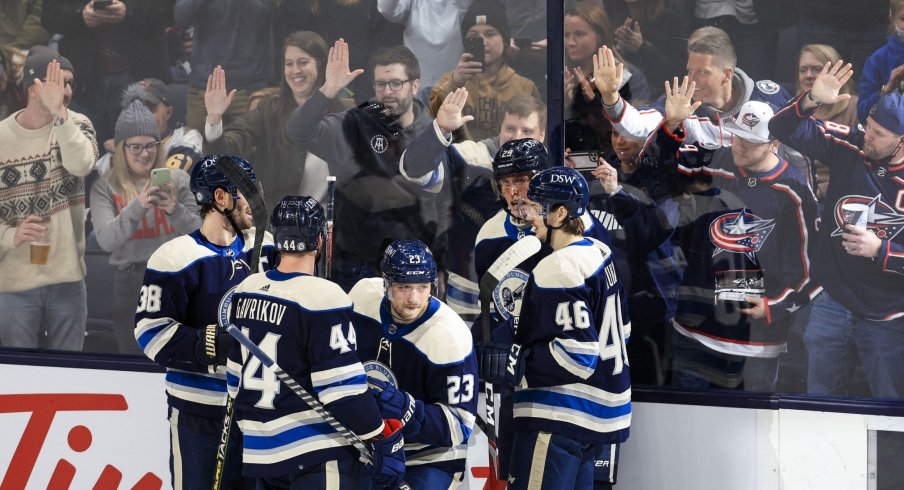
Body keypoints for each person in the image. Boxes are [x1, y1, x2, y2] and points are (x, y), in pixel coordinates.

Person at [646, 78, 818, 391]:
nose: (739, 145)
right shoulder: (713, 162)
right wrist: (670, 125)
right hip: (694, 331)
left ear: (775, 143)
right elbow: (654, 171)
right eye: (737, 136)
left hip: (756, 345)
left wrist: (773, 307)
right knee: (690, 428)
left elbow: (811, 270)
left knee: (748, 438)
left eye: (750, 142)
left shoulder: (793, 192)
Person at [225, 195, 406, 489]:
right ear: (321, 240)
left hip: (263, 455)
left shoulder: (246, 289)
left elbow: (235, 382)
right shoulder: (325, 298)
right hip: (317, 453)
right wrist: (379, 433)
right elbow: (343, 391)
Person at [480, 166, 631, 489]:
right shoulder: (597, 251)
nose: (529, 215)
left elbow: (577, 355)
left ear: (560, 213)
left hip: (560, 417)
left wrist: (515, 362)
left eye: (537, 207)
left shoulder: (557, 267)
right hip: (594, 419)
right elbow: (623, 331)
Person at [134, 154, 274, 488]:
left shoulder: (265, 247)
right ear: (220, 198)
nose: (255, 201)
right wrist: (210, 343)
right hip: (200, 413)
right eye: (246, 192)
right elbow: (149, 334)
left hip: (260, 412)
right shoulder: (176, 258)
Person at [769, 61, 904, 399]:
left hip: (887, 314)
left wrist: (881, 250)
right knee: (820, 402)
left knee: (890, 409)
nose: (867, 135)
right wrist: (811, 99)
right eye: (868, 125)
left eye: (878, 134)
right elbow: (780, 127)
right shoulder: (851, 144)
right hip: (833, 299)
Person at [287, 41, 464, 291]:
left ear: (415, 85)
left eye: (396, 83)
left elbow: (445, 204)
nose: (388, 91)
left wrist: (441, 263)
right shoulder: (352, 125)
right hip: (353, 263)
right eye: (380, 84)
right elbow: (298, 132)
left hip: (412, 267)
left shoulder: (433, 130)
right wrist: (328, 89)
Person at [348, 239, 478, 488]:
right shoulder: (362, 298)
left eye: (422, 287)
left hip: (427, 457)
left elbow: (459, 426)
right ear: (386, 283)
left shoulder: (450, 336)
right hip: (367, 444)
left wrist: (408, 410)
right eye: (404, 287)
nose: (414, 299)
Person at [0, 47, 98, 351]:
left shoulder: (77, 125)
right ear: (34, 88)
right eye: (59, 83)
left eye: (70, 83)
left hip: (68, 279)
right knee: (20, 381)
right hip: (15, 283)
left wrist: (60, 117)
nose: (67, 91)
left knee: (70, 376)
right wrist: (11, 235)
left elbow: (82, 165)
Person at [90, 100, 200, 355]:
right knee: (133, 358)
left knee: (177, 356)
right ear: (121, 149)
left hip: (177, 277)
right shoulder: (104, 187)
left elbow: (203, 235)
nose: (144, 154)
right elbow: (106, 240)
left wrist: (175, 210)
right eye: (136, 147)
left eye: (151, 145)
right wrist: (138, 205)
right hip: (131, 283)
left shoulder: (179, 180)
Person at [205, 31, 346, 204]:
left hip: (329, 222)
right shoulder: (268, 110)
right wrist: (214, 119)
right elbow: (226, 150)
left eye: (303, 62)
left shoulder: (342, 116)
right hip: (278, 222)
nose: (295, 71)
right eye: (289, 64)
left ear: (321, 65)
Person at [594, 30, 789, 148]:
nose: (691, 79)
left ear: (727, 74)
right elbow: (638, 126)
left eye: (702, 72)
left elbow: (796, 151)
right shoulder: (681, 103)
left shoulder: (769, 99)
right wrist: (611, 97)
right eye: (689, 71)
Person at [41, 0, 174, 144]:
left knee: (140, 151)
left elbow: (168, 12)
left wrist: (128, 11)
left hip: (140, 76)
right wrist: (80, 15)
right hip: (85, 82)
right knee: (87, 156)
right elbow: (49, 16)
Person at [428, 0, 541, 141]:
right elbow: (431, 123)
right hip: (460, 159)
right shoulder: (450, 81)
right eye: (474, 37)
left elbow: (536, 132)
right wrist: (455, 83)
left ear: (505, 40)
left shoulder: (525, 87)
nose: (483, 41)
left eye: (490, 34)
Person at [174, 0, 275, 132]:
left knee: (248, 148)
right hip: (204, 87)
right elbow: (181, 17)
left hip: (248, 88)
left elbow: (261, 18)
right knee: (196, 148)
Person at [94, 78, 204, 176]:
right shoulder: (112, 157)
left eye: (150, 109)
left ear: (169, 112)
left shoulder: (185, 138)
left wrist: (125, 155)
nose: (142, 117)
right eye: (136, 109)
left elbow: (168, 182)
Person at [377, 0, 474, 103]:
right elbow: (388, 10)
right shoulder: (412, 3)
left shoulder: (460, 5)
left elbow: (466, 6)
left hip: (453, 86)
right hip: (416, 86)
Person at [796, 44, 860, 199]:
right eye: (803, 70)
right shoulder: (792, 109)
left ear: (837, 73)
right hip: (796, 192)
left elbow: (860, 165)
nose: (808, 75)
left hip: (839, 195)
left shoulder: (855, 107)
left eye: (817, 69)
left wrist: (822, 192)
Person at [604, 0, 689, 100]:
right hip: (622, 87)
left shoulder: (671, 18)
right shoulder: (611, 15)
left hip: (660, 92)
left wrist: (642, 48)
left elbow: (678, 71)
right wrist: (618, 50)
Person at [857, 0, 904, 124]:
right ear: (892, 18)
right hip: (891, 134)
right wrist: (886, 90)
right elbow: (862, 114)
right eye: (903, 18)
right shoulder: (878, 59)